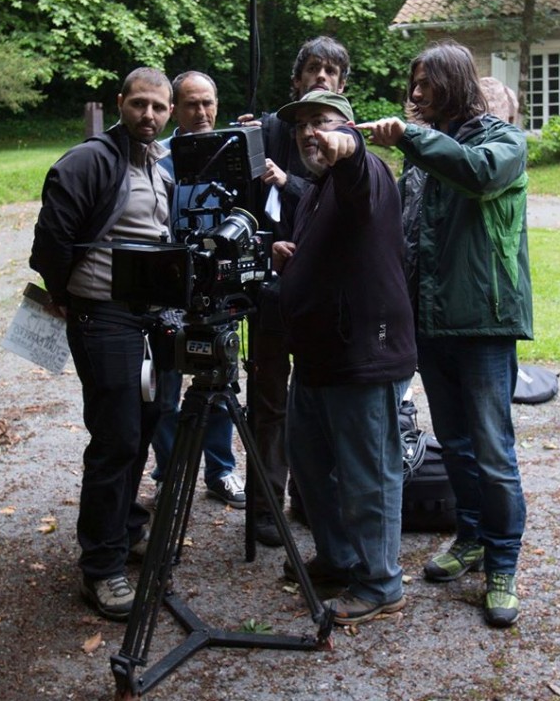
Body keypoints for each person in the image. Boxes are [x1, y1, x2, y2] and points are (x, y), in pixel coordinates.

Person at [358, 40, 532, 628]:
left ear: (454, 83)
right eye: (412, 83)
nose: (414, 94)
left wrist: (410, 137)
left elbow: (476, 177)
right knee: (455, 443)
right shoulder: (422, 153)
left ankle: (503, 561)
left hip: (483, 321)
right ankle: (473, 536)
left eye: (425, 83)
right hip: (430, 322)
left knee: (492, 447)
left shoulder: (502, 143)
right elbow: (407, 237)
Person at [29, 67, 174, 621]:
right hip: (103, 317)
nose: (149, 115)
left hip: (151, 317)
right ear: (121, 103)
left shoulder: (159, 164)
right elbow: (52, 241)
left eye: (158, 108)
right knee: (115, 439)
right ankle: (101, 568)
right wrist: (65, 295)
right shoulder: (90, 160)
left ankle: (124, 527)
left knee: (145, 424)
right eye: (139, 104)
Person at [273, 89, 417, 626]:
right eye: (302, 123)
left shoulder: (366, 172)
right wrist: (292, 255)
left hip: (363, 354)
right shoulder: (317, 189)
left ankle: (381, 583)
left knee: (368, 472)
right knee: (310, 465)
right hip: (317, 357)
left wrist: (346, 145)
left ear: (349, 127)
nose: (310, 132)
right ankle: (338, 559)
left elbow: (357, 176)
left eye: (323, 122)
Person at [239, 36, 352, 546]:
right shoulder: (267, 130)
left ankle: (311, 499)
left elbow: (344, 200)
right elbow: (239, 199)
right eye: (313, 69)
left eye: (331, 71)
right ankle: (266, 506)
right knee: (269, 403)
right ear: (296, 80)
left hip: (326, 293)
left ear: (343, 85)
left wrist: (287, 181)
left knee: (320, 399)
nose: (322, 77)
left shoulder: (348, 138)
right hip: (270, 290)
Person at [152, 71, 245, 509]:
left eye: (208, 102)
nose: (202, 112)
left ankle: (221, 470)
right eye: (191, 104)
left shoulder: (233, 153)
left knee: (222, 377)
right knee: (166, 387)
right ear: (175, 108)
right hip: (170, 287)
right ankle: (170, 473)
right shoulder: (160, 158)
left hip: (219, 284)